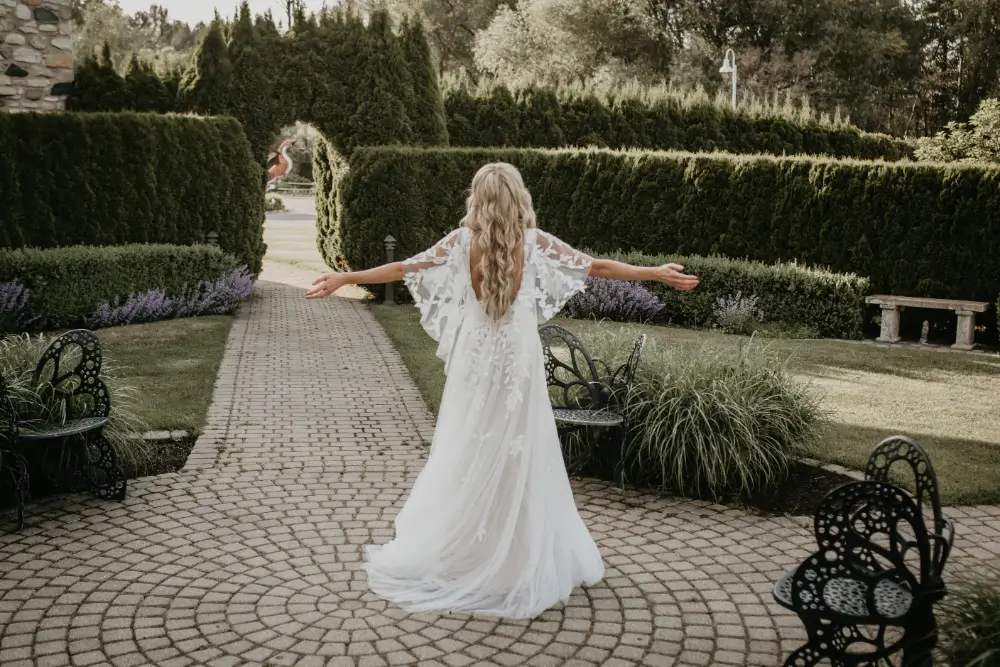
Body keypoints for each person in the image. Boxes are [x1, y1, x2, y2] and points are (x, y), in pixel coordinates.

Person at [305, 163, 699, 619]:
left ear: (477, 199)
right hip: (518, 362)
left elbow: (402, 266)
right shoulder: (534, 243)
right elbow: (597, 266)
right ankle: (514, 557)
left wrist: (346, 277)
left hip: (475, 361)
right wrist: (654, 272)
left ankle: (465, 550)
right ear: (519, 198)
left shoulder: (459, 244)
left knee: (468, 448)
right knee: (520, 452)